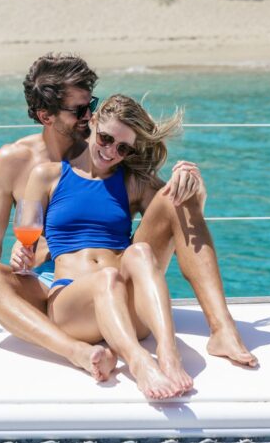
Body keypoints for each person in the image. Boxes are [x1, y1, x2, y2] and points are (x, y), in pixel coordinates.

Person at [0, 53, 256, 380]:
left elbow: (176, 210)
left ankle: (222, 328)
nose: (88, 115)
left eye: (90, 105)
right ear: (45, 115)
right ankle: (77, 351)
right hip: (55, 286)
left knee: (174, 200)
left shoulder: (112, 148)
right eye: (79, 110)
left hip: (119, 274)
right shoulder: (22, 163)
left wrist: (194, 187)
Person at [14, 94, 194, 398]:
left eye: (123, 148)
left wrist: (189, 182)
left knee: (140, 251)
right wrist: (22, 253)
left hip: (124, 305)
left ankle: (168, 352)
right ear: (93, 121)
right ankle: (138, 361)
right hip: (72, 305)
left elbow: (176, 213)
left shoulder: (132, 183)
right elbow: (26, 240)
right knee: (107, 277)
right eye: (106, 138)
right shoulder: (46, 176)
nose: (111, 151)